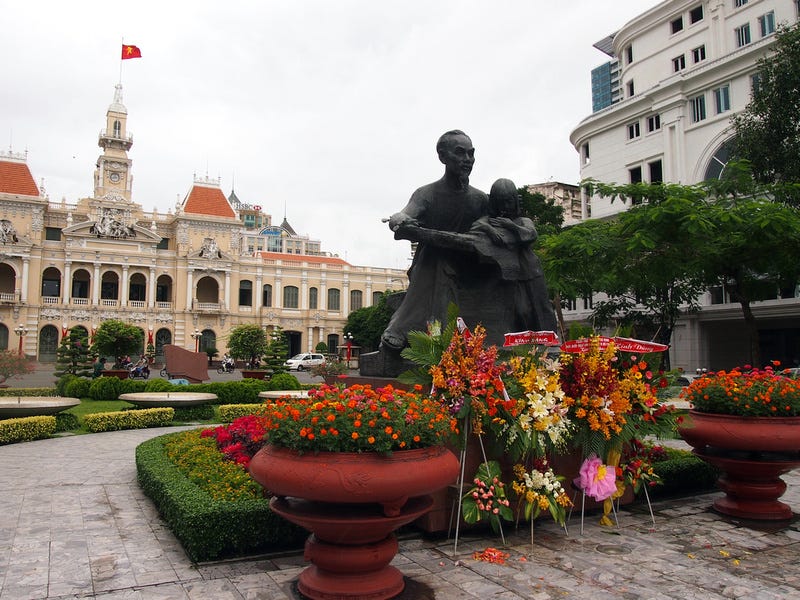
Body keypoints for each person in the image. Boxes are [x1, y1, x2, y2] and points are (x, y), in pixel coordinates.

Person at [381, 130, 490, 351]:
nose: (467, 160)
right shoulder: (427, 194)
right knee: (436, 258)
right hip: (431, 265)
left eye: (471, 154)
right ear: (443, 157)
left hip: (471, 266)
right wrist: (399, 220)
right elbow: (405, 215)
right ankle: (414, 331)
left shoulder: (480, 199)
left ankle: (406, 329)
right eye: (460, 153)